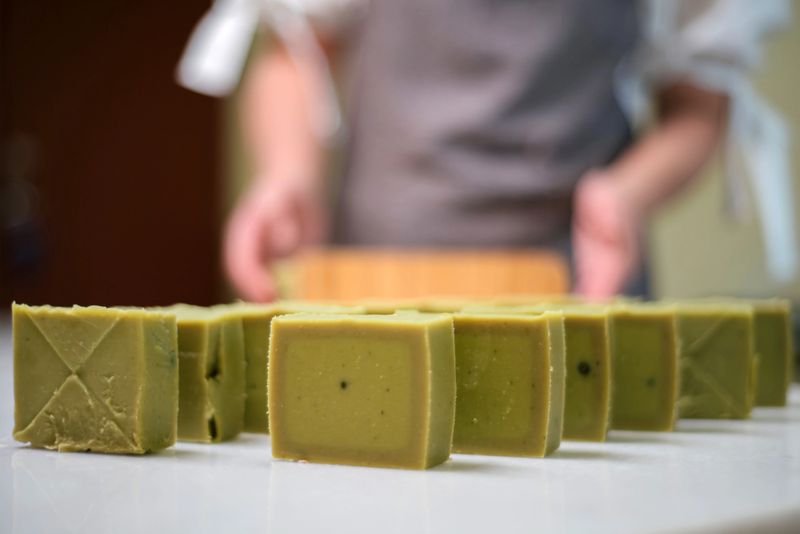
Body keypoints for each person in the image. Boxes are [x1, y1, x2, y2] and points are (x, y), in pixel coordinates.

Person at [179, 0, 794, 302]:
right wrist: (289, 174)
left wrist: (625, 197)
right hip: (378, 278)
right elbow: (295, 47)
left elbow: (699, 104)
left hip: (582, 285)